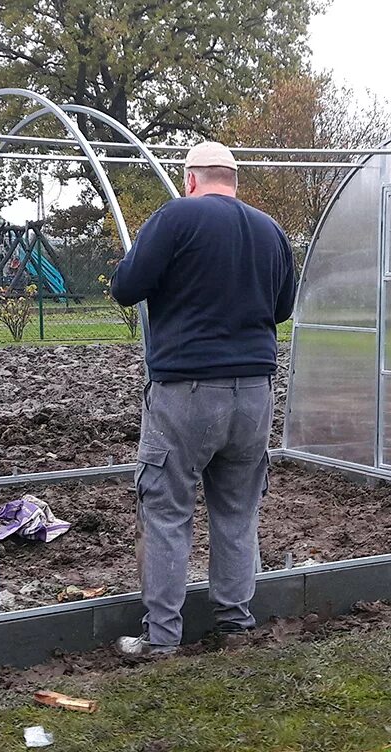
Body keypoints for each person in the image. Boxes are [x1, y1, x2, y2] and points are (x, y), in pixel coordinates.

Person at [110, 141, 296, 656]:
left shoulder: (176, 217)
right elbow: (282, 308)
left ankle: (162, 637)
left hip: (186, 393)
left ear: (190, 178)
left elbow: (127, 287)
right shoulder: (271, 230)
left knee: (167, 511)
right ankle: (235, 624)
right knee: (237, 513)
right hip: (254, 394)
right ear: (234, 181)